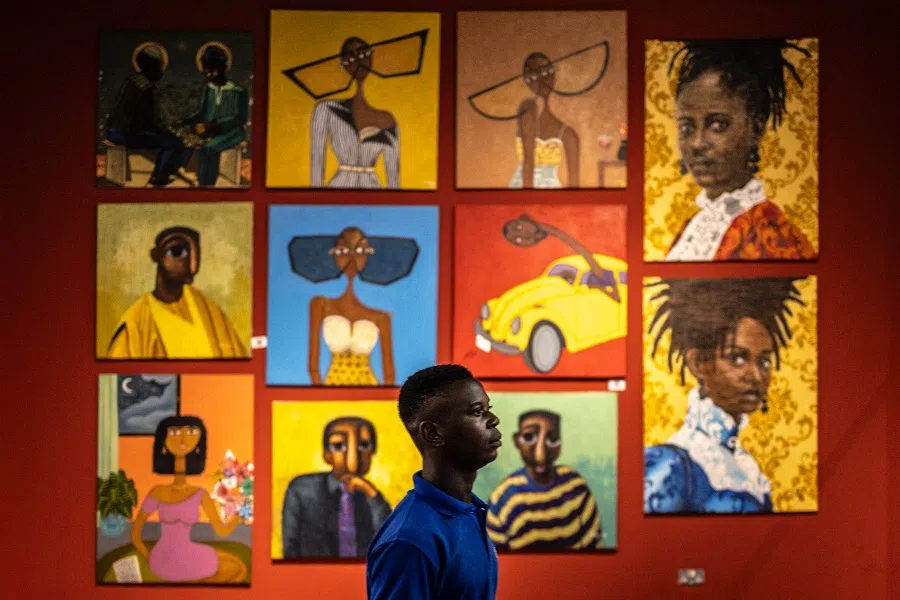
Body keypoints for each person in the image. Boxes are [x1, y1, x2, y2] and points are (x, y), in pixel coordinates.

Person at [643, 277, 806, 513]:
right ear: (698, 363)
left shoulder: (745, 466)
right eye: (737, 358)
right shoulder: (672, 465)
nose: (756, 376)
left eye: (764, 362)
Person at [664, 39, 817, 261]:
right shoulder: (691, 228)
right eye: (687, 127)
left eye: (718, 125)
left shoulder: (769, 234)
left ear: (755, 128)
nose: (697, 143)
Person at [366, 364, 501, 599]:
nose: (494, 420)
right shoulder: (409, 540)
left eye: (488, 408)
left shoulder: (467, 512)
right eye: (477, 412)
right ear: (433, 434)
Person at [287, 227, 420, 386]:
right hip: (331, 388)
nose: (351, 258)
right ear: (334, 254)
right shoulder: (320, 305)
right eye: (343, 250)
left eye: (359, 250)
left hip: (369, 387)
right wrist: (321, 394)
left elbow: (389, 375)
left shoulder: (381, 316)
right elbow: (313, 367)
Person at [467, 41, 610, 189]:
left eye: (545, 72)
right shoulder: (528, 109)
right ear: (526, 81)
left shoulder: (568, 134)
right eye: (533, 76)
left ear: (554, 75)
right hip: (524, 189)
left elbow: (574, 184)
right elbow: (528, 166)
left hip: (552, 194)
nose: (541, 81)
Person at [130, 416, 247, 583]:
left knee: (237, 565)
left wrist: (239, 514)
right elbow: (135, 534)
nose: (183, 438)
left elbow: (221, 531)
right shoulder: (157, 492)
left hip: (187, 553)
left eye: (191, 431)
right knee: (234, 569)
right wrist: (150, 559)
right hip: (161, 559)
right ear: (163, 440)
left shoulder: (200, 493)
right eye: (175, 432)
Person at [107, 226, 248, 359]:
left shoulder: (210, 312)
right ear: (157, 255)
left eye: (195, 254)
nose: (192, 266)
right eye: (177, 252)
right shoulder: (135, 323)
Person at [487, 410, 603, 551]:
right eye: (529, 437)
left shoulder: (575, 486)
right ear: (517, 441)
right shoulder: (501, 499)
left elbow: (593, 547)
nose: (540, 455)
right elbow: (496, 560)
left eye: (552, 439)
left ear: (560, 444)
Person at [281, 417, 392, 558]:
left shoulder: (372, 497)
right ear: (326, 455)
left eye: (363, 445)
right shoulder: (302, 490)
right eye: (338, 446)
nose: (352, 457)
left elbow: (390, 543)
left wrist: (373, 496)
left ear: (373, 452)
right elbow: (290, 548)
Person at [105, 43, 187, 187]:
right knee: (173, 143)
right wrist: (167, 130)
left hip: (114, 132)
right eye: (158, 66)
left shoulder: (130, 81)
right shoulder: (145, 88)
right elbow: (147, 121)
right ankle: (158, 179)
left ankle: (167, 171)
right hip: (125, 134)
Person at [181, 43, 249, 187]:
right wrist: (190, 122)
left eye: (213, 71)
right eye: (207, 72)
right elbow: (202, 112)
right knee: (185, 140)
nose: (209, 75)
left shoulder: (238, 91)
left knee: (209, 149)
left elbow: (240, 119)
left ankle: (207, 186)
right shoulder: (208, 89)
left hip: (232, 132)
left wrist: (215, 126)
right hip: (209, 130)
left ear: (223, 68)